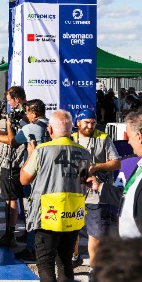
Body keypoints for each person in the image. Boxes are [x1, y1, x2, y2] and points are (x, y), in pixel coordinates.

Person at [20, 110, 91, 282]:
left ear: (50, 130)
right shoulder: (83, 152)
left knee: (45, 263)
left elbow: (24, 179)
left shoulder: (42, 150)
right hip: (73, 213)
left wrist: (30, 154)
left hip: (47, 214)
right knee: (65, 260)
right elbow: (84, 182)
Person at [70, 109, 121, 271]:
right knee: (72, 230)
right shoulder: (70, 139)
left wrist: (96, 167)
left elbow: (116, 163)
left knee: (96, 235)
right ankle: (74, 257)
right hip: (73, 194)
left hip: (96, 196)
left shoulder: (103, 138)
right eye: (86, 122)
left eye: (93, 122)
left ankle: (95, 269)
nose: (90, 126)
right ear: (78, 123)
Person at [85, 107, 142, 239]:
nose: (128, 142)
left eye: (129, 137)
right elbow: (129, 199)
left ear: (138, 137)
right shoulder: (139, 165)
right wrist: (99, 186)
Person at [0, 86, 28, 247]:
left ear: (17, 99)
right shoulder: (25, 115)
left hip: (13, 162)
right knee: (21, 198)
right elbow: (12, 134)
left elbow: (13, 141)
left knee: (10, 198)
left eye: (9, 100)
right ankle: (25, 233)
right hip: (22, 163)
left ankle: (9, 235)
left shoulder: (23, 116)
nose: (8, 103)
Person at [10, 99, 50, 262]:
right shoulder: (53, 125)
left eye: (27, 113)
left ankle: (31, 248)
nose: (26, 115)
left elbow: (14, 142)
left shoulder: (30, 128)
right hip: (50, 173)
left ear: (33, 113)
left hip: (34, 174)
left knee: (32, 212)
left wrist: (8, 124)